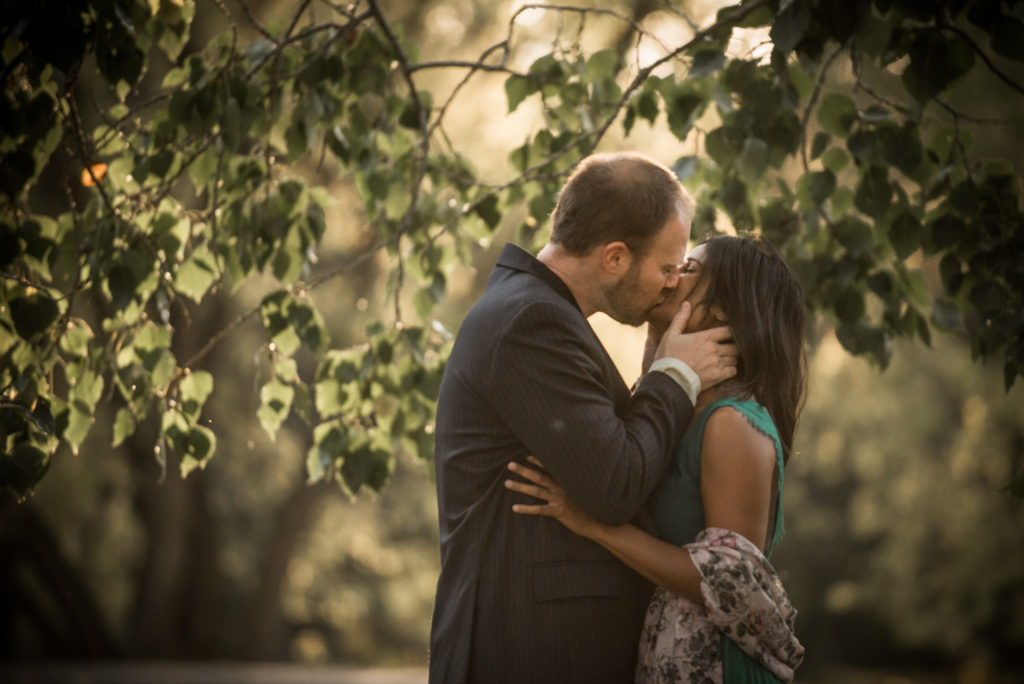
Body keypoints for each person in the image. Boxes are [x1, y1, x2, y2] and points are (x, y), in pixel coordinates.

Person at [428, 152, 740, 684]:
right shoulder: (532, 320)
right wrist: (677, 376)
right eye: (667, 268)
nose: (672, 284)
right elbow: (614, 485)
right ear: (615, 257)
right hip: (530, 651)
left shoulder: (537, 311)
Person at [505, 234, 807, 683]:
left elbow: (729, 584)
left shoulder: (731, 424)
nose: (669, 278)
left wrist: (595, 525)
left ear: (723, 308)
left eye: (688, 270)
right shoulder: (687, 407)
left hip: (718, 667)